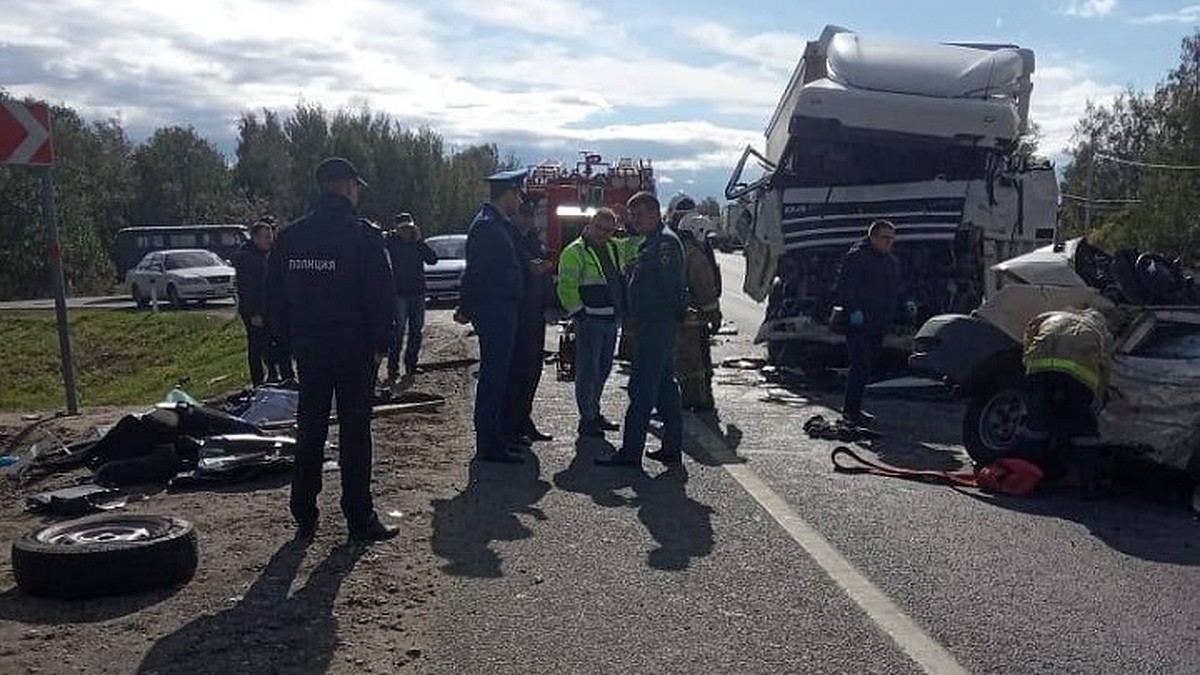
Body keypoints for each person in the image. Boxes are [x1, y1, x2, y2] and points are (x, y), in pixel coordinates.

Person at [265, 156, 398, 543]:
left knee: (311, 429)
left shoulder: (291, 236)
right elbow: (381, 296)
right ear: (349, 187)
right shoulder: (364, 235)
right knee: (355, 434)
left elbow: (273, 296)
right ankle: (359, 517)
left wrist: (282, 344)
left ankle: (304, 512)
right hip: (354, 350)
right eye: (357, 187)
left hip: (309, 349)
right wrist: (381, 346)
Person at [596, 191, 686, 467]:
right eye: (631, 215)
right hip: (652, 323)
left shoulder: (664, 245)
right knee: (664, 387)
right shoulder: (652, 243)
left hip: (657, 324)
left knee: (641, 388)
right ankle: (672, 447)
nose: (633, 221)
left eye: (637, 215)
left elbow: (671, 288)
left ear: (653, 213)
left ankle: (630, 451)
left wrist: (670, 318)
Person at [454, 168, 528, 464]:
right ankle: (488, 442)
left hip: (502, 308)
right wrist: (466, 306)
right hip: (494, 309)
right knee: (493, 377)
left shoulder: (498, 224)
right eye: (518, 193)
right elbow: (476, 271)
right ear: (508, 193)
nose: (520, 199)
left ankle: (497, 435)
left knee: (500, 375)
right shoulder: (487, 226)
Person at [1018, 307, 1114, 499]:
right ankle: (1089, 487)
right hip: (1075, 379)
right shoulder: (1099, 332)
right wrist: (1099, 396)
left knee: (1036, 428)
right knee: (1085, 434)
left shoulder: (1052, 316)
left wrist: (1026, 363)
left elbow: (1030, 331)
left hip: (1039, 372)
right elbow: (1105, 366)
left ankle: (1026, 479)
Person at [556, 208, 628, 439]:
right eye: (599, 228)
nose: (603, 234)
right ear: (590, 224)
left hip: (610, 319)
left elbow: (635, 246)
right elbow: (566, 286)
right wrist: (579, 313)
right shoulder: (574, 251)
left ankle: (593, 412)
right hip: (590, 320)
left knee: (604, 368)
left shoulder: (613, 247)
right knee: (588, 371)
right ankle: (587, 418)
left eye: (609, 230)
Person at [834, 220, 904, 426]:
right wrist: (854, 311)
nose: (888, 242)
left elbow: (896, 289)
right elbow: (845, 289)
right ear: (872, 237)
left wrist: (906, 304)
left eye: (891, 238)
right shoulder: (857, 257)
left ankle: (855, 409)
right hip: (858, 323)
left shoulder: (891, 261)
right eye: (884, 238)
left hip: (879, 322)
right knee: (860, 365)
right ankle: (850, 411)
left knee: (867, 367)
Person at [500, 198, 555, 448]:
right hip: (519, 313)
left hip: (536, 313)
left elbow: (544, 275)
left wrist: (552, 303)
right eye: (525, 214)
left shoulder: (533, 239)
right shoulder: (509, 238)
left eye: (531, 215)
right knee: (518, 372)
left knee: (533, 370)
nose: (530, 219)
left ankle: (524, 419)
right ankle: (511, 425)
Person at [666, 194, 722, 411]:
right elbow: (706, 288)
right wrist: (714, 315)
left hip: (681, 316)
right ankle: (698, 399)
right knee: (694, 361)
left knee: (685, 360)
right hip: (692, 318)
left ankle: (693, 399)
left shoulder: (675, 247)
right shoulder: (693, 253)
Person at [234, 220, 294, 386]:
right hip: (256, 312)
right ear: (255, 238)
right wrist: (254, 313)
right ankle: (258, 383)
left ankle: (286, 378)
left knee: (280, 345)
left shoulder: (269, 255)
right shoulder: (247, 258)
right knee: (257, 348)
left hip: (272, 310)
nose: (270, 240)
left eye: (271, 237)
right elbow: (247, 289)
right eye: (266, 237)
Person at [382, 212, 438, 380]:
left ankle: (411, 366)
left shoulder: (418, 244)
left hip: (418, 293)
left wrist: (420, 241)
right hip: (399, 294)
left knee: (416, 332)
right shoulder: (390, 242)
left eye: (409, 227)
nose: (406, 231)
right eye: (403, 228)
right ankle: (393, 369)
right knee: (398, 333)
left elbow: (432, 260)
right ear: (397, 229)